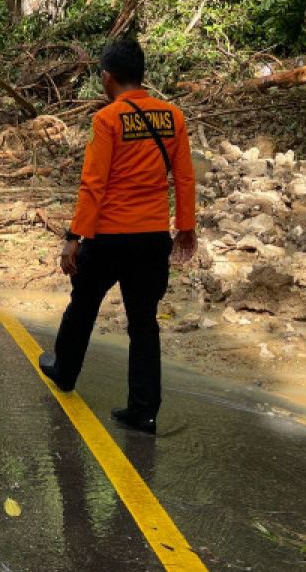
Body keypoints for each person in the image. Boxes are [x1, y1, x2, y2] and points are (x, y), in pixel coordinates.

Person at [38, 39, 197, 435]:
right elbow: (185, 177)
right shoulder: (173, 117)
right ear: (142, 75)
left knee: (84, 304)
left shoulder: (107, 120)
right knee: (144, 323)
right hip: (152, 237)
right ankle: (143, 412)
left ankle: (64, 370)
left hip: (109, 237)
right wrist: (186, 228)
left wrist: (74, 237)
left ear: (107, 78)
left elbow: (94, 184)